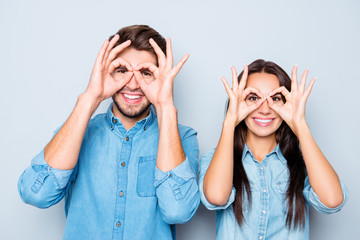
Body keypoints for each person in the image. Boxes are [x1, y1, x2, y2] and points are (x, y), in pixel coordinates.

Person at [18, 25, 200, 240]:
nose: (132, 84)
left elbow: (178, 211)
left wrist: (165, 106)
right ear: (107, 72)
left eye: (146, 73)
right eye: (122, 71)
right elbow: (36, 194)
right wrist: (90, 98)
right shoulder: (77, 132)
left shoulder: (183, 138)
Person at [199, 59, 348, 239]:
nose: (264, 109)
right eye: (253, 98)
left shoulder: (303, 163)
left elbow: (332, 201)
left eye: (275, 98)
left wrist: (300, 125)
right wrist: (230, 121)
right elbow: (216, 197)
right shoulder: (216, 159)